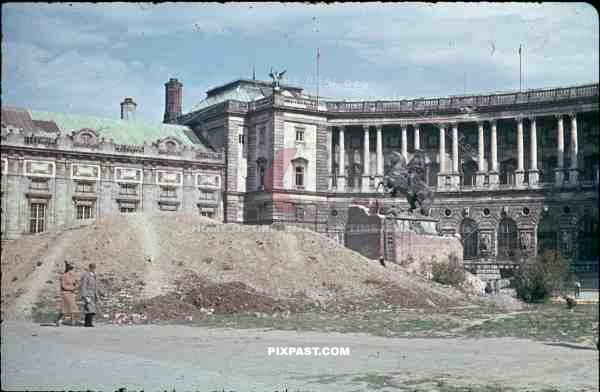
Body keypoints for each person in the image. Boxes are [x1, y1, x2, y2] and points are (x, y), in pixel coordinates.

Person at [55, 261, 78, 326]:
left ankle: (73, 321)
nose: (72, 271)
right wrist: (71, 288)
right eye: (71, 269)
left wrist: (75, 286)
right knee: (64, 309)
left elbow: (75, 283)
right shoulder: (63, 276)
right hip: (65, 294)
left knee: (72, 307)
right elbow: (63, 286)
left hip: (71, 294)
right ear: (68, 270)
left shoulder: (72, 276)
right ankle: (57, 319)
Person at [80, 263, 98, 327]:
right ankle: (87, 323)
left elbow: (95, 286)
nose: (93, 269)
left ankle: (89, 322)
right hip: (88, 294)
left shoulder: (94, 275)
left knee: (92, 309)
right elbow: (84, 285)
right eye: (92, 267)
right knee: (89, 309)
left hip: (93, 294)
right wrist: (84, 295)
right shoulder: (86, 275)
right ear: (90, 267)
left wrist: (96, 294)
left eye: (94, 267)